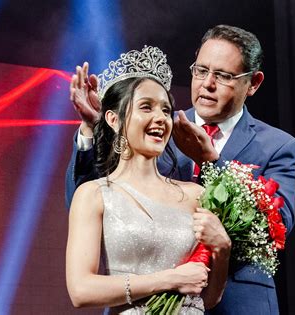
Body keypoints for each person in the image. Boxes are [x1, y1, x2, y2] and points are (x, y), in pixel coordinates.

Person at [66, 25, 295, 314]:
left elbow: (273, 228)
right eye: (201, 71)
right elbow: (92, 201)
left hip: (238, 304)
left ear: (253, 83)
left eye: (223, 76)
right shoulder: (157, 130)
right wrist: (95, 129)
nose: (207, 84)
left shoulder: (277, 146)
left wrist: (212, 163)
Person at [65, 46, 231, 314]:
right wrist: (168, 280)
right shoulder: (94, 194)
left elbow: (208, 298)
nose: (160, 118)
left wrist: (223, 250)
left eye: (166, 110)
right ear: (113, 119)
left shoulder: (194, 195)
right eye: (146, 107)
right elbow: (81, 290)